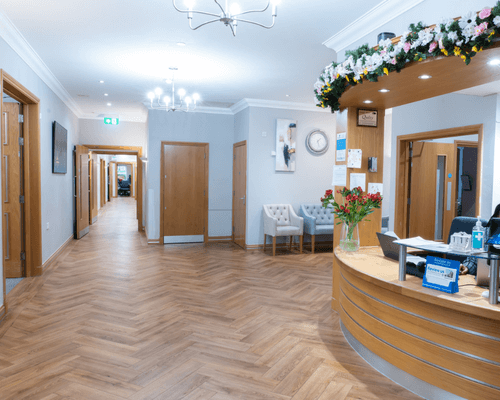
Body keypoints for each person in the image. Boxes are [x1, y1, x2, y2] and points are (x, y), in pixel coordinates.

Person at [461, 204, 500, 275]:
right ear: (497, 217)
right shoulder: (483, 233)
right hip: (486, 279)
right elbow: (473, 261)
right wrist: (466, 267)